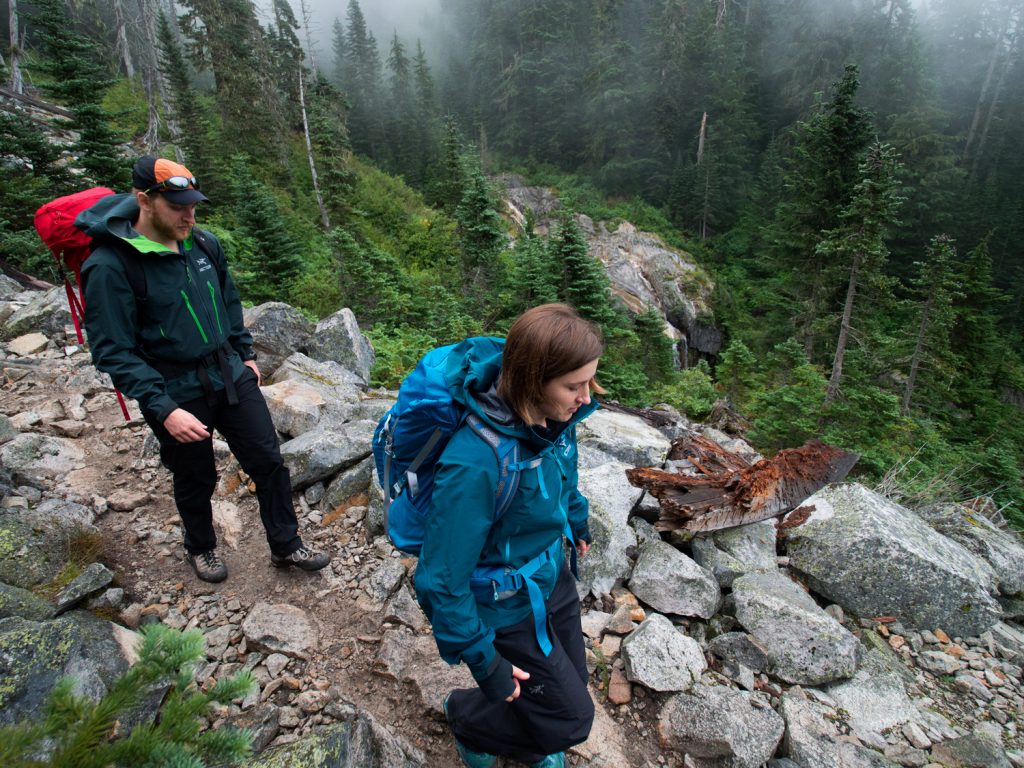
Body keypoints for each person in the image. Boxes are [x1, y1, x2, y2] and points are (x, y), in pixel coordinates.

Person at [80, 155, 329, 583]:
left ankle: (286, 545)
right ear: (144, 200)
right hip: (174, 387)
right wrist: (163, 407)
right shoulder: (110, 266)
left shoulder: (204, 244)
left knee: (268, 460)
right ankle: (201, 547)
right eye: (177, 206)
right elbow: (112, 351)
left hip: (229, 372)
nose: (189, 215)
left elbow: (229, 302)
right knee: (195, 474)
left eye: (193, 205)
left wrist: (245, 354)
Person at [415, 303, 602, 768]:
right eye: (574, 386)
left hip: (550, 576)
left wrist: (576, 520)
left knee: (570, 688)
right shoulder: (476, 460)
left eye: (591, 381)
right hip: (504, 603)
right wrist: (484, 661)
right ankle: (468, 723)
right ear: (532, 380)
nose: (587, 396)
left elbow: (564, 476)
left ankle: (530, 735)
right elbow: (440, 579)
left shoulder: (554, 419)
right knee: (571, 722)